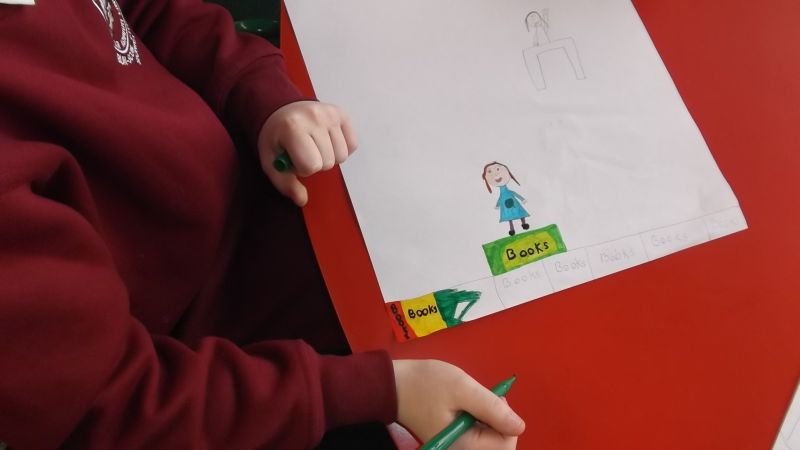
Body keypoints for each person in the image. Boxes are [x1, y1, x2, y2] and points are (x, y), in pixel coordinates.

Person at [0, 1, 525, 449]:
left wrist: (260, 93)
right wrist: (378, 392)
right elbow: (111, 403)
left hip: (289, 208)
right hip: (237, 384)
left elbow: (152, 10)